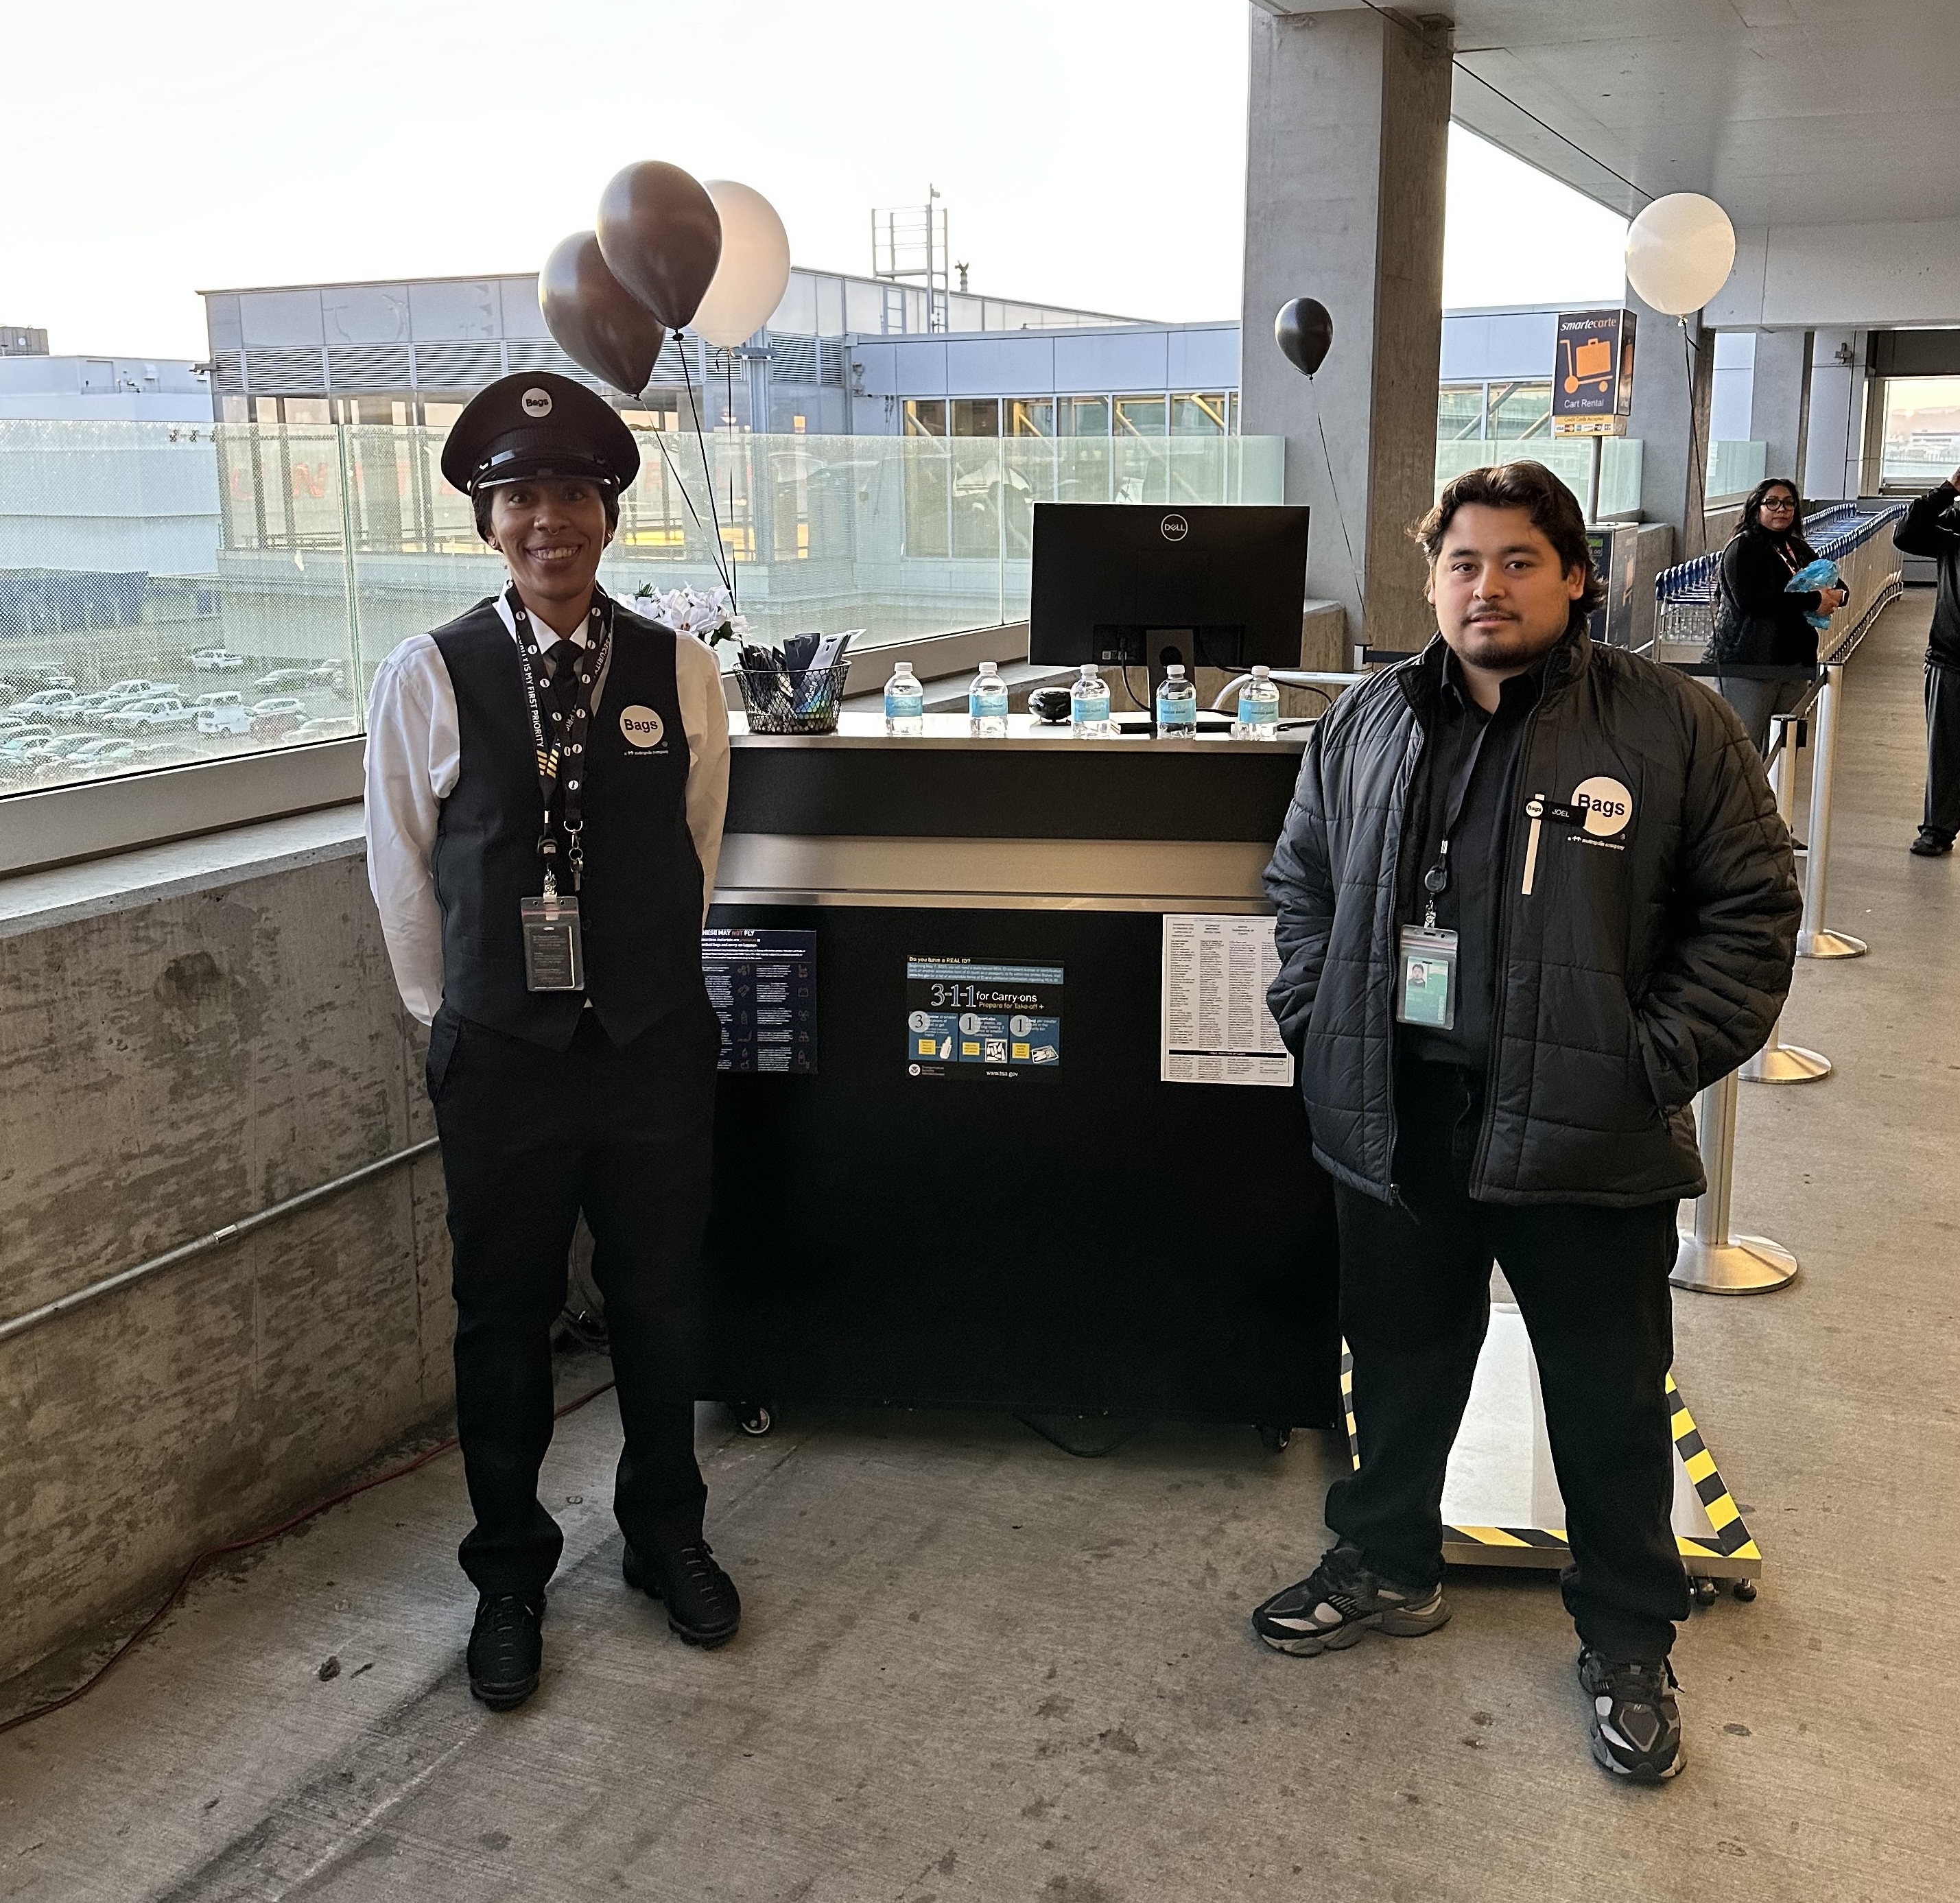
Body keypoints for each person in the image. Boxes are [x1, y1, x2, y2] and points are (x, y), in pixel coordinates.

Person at [1256, 461, 1800, 1784]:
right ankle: (1387, 1557)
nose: (1483, 585)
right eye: (1461, 562)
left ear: (1574, 576)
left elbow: (1748, 914)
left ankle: (1626, 1635)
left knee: (1607, 1401)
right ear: (1430, 575)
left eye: (1514, 561)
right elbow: (1301, 884)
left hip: (1585, 1129)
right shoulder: (1369, 720)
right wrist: (1316, 1015)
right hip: (1404, 1113)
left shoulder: (1668, 726)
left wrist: (1641, 1063)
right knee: (1395, 1360)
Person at [364, 370, 737, 1712]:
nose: (548, 521)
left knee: (661, 1297)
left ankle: (663, 1533)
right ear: (487, 521)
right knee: (502, 1320)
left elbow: (695, 844)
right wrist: (463, 1020)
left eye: (572, 493)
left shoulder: (678, 669)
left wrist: (630, 979)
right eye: (519, 497)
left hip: (648, 1042)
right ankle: (509, 1571)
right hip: (499, 1057)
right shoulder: (430, 674)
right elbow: (403, 872)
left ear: (605, 512)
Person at [1710, 476, 1847, 753]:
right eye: (1771, 503)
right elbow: (1750, 600)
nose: (1781, 509)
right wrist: (1813, 599)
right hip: (1750, 664)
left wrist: (1839, 596)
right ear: (1756, 508)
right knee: (1742, 748)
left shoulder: (1796, 547)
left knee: (1783, 749)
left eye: (1788, 503)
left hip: (1793, 662)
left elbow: (1836, 583)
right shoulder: (1742, 547)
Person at [1893, 466, 1960, 855]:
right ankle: (1937, 830)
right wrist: (1946, 491)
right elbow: (1906, 534)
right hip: (1952, 656)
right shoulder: (1954, 525)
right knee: (1946, 750)